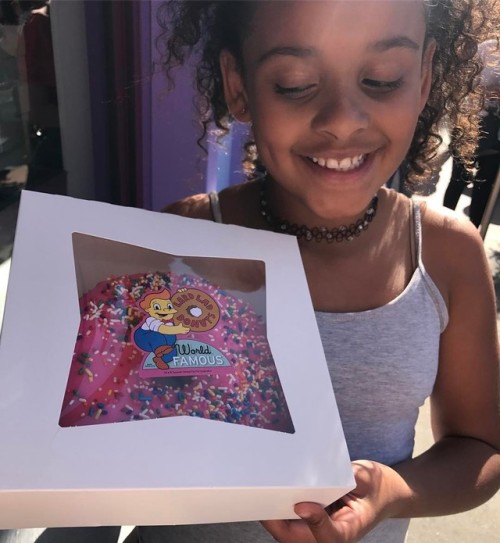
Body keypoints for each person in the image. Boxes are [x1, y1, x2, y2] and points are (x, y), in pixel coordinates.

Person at [127, 1, 500, 543]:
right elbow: (108, 436)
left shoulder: (445, 254)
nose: (343, 119)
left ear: (423, 78)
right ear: (238, 85)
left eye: (382, 78)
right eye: (296, 84)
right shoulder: (177, 242)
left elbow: (481, 447)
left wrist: (394, 489)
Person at [443, 39, 500, 227]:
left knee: (484, 187)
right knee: (459, 178)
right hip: (470, 122)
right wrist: (485, 91)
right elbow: (465, 81)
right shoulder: (486, 48)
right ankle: (442, 228)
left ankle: (471, 237)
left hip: (496, 132)